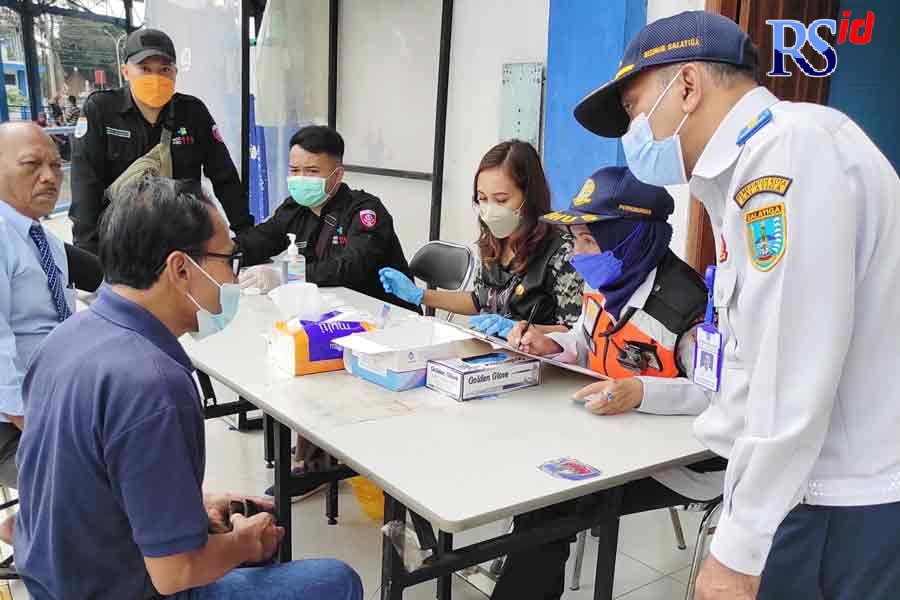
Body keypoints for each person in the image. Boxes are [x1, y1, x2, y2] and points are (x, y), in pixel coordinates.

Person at [575, 10, 900, 600]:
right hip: (806, 490)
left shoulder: (787, 155)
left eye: (635, 108)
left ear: (688, 86)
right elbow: (744, 369)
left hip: (835, 500)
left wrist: (738, 550)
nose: (634, 133)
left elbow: (790, 375)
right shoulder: (747, 173)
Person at [14, 176, 364, 600]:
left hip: (56, 581)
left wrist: (190, 506)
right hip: (123, 589)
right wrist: (246, 542)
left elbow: (92, 482)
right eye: (229, 260)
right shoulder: (153, 383)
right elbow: (175, 572)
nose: (233, 278)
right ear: (181, 269)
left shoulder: (67, 337)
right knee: (336, 581)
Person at [491, 166, 724, 600]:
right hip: (614, 437)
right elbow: (587, 339)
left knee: (551, 502)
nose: (577, 254)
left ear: (628, 238)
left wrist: (640, 391)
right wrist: (551, 344)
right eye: (575, 239)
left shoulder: (690, 308)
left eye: (587, 239)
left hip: (682, 464)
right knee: (534, 474)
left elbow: (716, 394)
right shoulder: (608, 278)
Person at [69, 27, 253, 255]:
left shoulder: (193, 112)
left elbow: (224, 176)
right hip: (124, 241)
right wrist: (88, 252)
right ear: (125, 71)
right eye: (145, 69)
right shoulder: (101, 110)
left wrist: (245, 233)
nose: (155, 78)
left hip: (182, 239)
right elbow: (85, 183)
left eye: (164, 69)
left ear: (175, 72)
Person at [379, 140, 583, 338]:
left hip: (535, 356)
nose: (490, 210)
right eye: (482, 198)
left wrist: (520, 329)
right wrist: (420, 295)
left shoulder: (564, 251)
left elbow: (572, 332)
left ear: (529, 196)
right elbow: (478, 300)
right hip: (488, 349)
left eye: (501, 200)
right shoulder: (493, 238)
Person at [237, 125, 418, 312]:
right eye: (294, 170)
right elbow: (259, 240)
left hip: (385, 314)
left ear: (337, 175)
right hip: (327, 310)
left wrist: (286, 276)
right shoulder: (294, 208)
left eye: (312, 171)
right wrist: (224, 252)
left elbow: (352, 267)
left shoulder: (364, 211)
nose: (301, 178)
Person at [0, 122, 79, 549]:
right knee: (105, 469)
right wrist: (38, 426)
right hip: (13, 423)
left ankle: (33, 525)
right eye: (32, 165)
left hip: (51, 400)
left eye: (56, 165)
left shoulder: (43, 239)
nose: (49, 177)